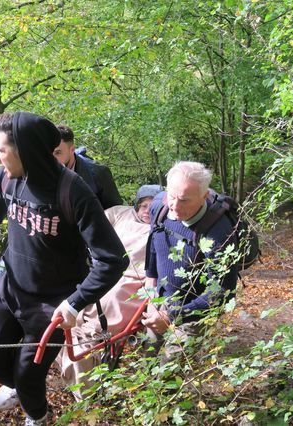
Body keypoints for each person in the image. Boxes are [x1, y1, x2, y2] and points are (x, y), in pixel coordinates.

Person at [0, 112, 128, 425]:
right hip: (11, 289)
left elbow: (113, 259)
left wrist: (75, 301)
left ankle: (38, 416)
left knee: (28, 376)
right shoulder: (5, 178)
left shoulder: (73, 191)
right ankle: (22, 388)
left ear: (24, 151)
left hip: (52, 303)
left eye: (1, 150)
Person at [57, 184, 164, 400]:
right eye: (143, 205)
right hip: (104, 271)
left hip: (134, 280)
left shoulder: (161, 231)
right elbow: (92, 225)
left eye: (152, 207)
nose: (146, 211)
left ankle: (91, 339)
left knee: (110, 303)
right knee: (78, 302)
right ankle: (74, 337)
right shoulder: (120, 214)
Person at [142, 161, 239, 362]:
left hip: (195, 311)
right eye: (172, 196)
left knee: (167, 370)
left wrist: (173, 316)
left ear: (204, 196)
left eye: (184, 200)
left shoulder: (218, 233)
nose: (175, 206)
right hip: (161, 301)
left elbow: (221, 293)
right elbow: (153, 244)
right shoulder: (159, 207)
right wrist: (150, 287)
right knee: (148, 357)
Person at [53, 125, 122, 209]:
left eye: (57, 153)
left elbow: (116, 211)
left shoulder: (98, 173)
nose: (52, 158)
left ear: (72, 149)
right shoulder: (43, 171)